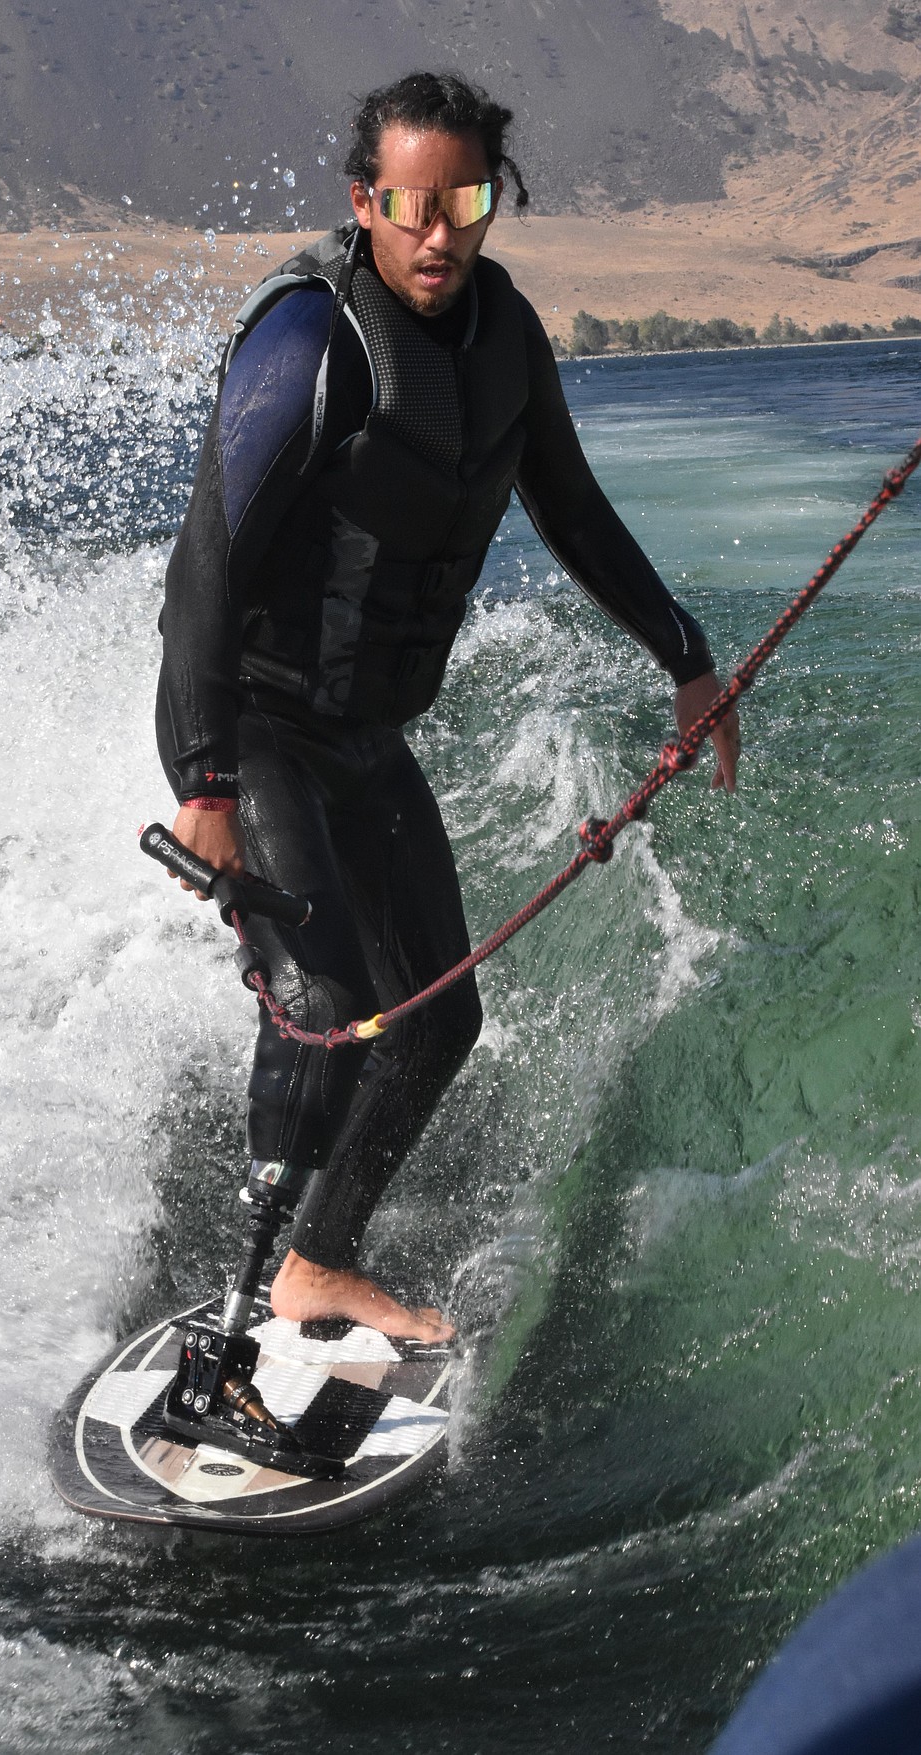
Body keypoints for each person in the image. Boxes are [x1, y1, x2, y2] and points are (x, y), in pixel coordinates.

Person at [155, 71, 741, 1345]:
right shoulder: (311, 343)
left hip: (364, 733)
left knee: (436, 1015)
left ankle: (315, 1265)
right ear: (366, 201)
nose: (438, 233)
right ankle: (238, 1320)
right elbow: (202, 567)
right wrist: (204, 784)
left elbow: (572, 510)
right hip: (252, 725)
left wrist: (685, 657)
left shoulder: (503, 338)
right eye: (410, 204)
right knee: (324, 1015)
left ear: (491, 200)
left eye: (465, 201)